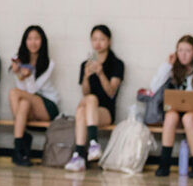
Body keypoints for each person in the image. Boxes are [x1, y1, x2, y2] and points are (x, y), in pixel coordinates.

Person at [150, 35, 193, 178]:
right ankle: (164, 163)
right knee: (170, 115)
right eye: (180, 50)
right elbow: (153, 87)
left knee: (188, 118)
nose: (183, 54)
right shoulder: (173, 69)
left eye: (187, 50)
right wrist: (167, 65)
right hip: (177, 112)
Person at [65, 24, 124, 172]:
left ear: (109, 41)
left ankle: (79, 154)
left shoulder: (117, 64)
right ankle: (91, 145)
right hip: (90, 106)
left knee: (83, 109)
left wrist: (100, 73)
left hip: (105, 110)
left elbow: (111, 92)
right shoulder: (86, 64)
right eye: (94, 39)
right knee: (88, 101)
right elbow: (85, 93)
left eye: (102, 39)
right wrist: (86, 76)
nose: (98, 43)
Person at [8, 25, 59, 167]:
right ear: (25, 41)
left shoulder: (49, 64)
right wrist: (18, 74)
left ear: (42, 41)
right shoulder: (19, 61)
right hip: (29, 103)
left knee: (14, 93)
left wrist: (26, 76)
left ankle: (21, 141)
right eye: (29, 39)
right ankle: (20, 149)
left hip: (47, 105)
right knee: (23, 103)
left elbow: (33, 90)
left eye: (37, 38)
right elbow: (22, 92)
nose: (33, 42)